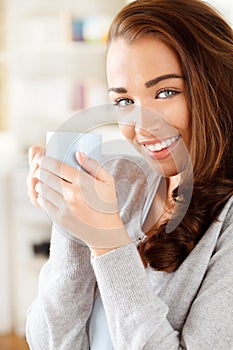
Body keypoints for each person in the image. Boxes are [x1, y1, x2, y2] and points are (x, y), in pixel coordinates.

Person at [26, 0, 233, 349]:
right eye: (124, 102)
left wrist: (108, 242)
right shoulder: (121, 180)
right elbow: (51, 342)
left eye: (166, 92)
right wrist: (71, 223)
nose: (142, 124)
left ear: (217, 87)